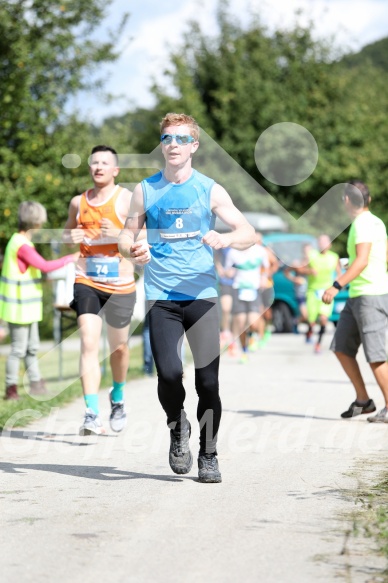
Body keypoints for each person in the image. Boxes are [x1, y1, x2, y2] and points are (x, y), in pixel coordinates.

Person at [118, 112, 255, 483]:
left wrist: (225, 238)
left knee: (208, 382)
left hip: (202, 297)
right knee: (168, 373)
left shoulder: (209, 189)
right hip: (161, 297)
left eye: (181, 138)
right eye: (167, 139)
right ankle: (178, 427)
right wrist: (133, 250)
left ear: (194, 145)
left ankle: (208, 454)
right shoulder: (145, 190)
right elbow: (126, 235)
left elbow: (249, 233)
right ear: (161, 145)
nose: (173, 144)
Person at [63, 145, 138, 436]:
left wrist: (118, 233)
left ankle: (117, 398)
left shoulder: (127, 199)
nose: (98, 167)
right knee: (88, 341)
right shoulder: (77, 203)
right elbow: (68, 235)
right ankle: (91, 413)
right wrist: (72, 235)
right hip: (87, 282)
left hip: (120, 285)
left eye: (105, 163)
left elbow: (141, 239)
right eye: (94, 163)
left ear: (115, 170)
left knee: (118, 348)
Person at [323, 180, 388, 422]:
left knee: (375, 354)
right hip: (358, 295)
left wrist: (336, 284)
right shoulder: (376, 222)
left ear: (347, 200)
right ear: (368, 199)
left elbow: (362, 261)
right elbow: (380, 256)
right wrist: (356, 265)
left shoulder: (361, 224)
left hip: (370, 295)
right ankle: (363, 400)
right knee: (341, 347)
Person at [0, 201, 78, 400]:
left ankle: (35, 383)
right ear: (36, 222)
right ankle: (11, 389)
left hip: (26, 307)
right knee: (18, 349)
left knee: (32, 347)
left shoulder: (19, 242)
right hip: (18, 307)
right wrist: (70, 258)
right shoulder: (21, 245)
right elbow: (43, 265)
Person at [224, 232, 269, 362]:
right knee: (241, 323)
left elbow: (266, 268)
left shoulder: (261, 251)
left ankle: (253, 336)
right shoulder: (233, 252)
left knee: (253, 322)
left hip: (254, 289)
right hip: (239, 289)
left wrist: (264, 278)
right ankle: (244, 350)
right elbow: (227, 271)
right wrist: (229, 272)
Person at [299, 235, 341, 353]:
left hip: (327, 291)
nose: (323, 244)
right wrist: (309, 271)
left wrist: (336, 285)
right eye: (321, 242)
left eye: (325, 242)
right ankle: (310, 330)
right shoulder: (311, 254)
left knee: (323, 318)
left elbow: (339, 274)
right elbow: (299, 269)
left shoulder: (334, 257)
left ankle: (318, 344)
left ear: (330, 244)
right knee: (311, 320)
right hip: (313, 291)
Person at [214, 247, 235, 353]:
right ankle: (225, 332)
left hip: (242, 283)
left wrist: (235, 270)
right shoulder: (224, 245)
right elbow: (216, 256)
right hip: (226, 282)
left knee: (239, 315)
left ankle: (233, 338)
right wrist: (220, 268)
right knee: (226, 308)